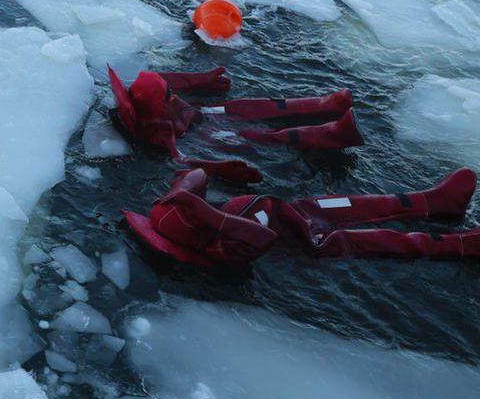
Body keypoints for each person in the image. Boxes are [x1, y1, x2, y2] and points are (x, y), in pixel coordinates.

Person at [125, 167, 479, 265]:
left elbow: (195, 174)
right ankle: (463, 245)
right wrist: (206, 213)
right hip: (315, 243)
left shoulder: (184, 215)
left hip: (298, 212)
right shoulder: (223, 248)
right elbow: (264, 238)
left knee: (362, 203)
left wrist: (186, 188)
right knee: (393, 241)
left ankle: (434, 201)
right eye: (192, 210)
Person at [108, 66, 364, 184]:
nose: (172, 96)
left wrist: (199, 79)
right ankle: (331, 134)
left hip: (202, 116)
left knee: (240, 107)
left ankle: (322, 104)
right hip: (201, 136)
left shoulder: (151, 94)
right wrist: (217, 167)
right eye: (168, 96)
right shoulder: (158, 129)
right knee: (250, 135)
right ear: (158, 105)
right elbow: (178, 159)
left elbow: (163, 79)